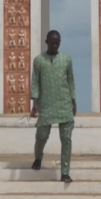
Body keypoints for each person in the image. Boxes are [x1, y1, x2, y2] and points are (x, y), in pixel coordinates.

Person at [30, 30, 77, 182]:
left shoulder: (66, 59)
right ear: (46, 42)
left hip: (64, 103)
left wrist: (73, 100)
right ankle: (38, 157)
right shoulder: (39, 60)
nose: (55, 45)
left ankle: (65, 172)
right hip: (46, 103)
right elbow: (35, 82)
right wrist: (35, 103)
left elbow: (70, 80)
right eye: (52, 43)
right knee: (42, 136)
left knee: (66, 139)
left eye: (57, 42)